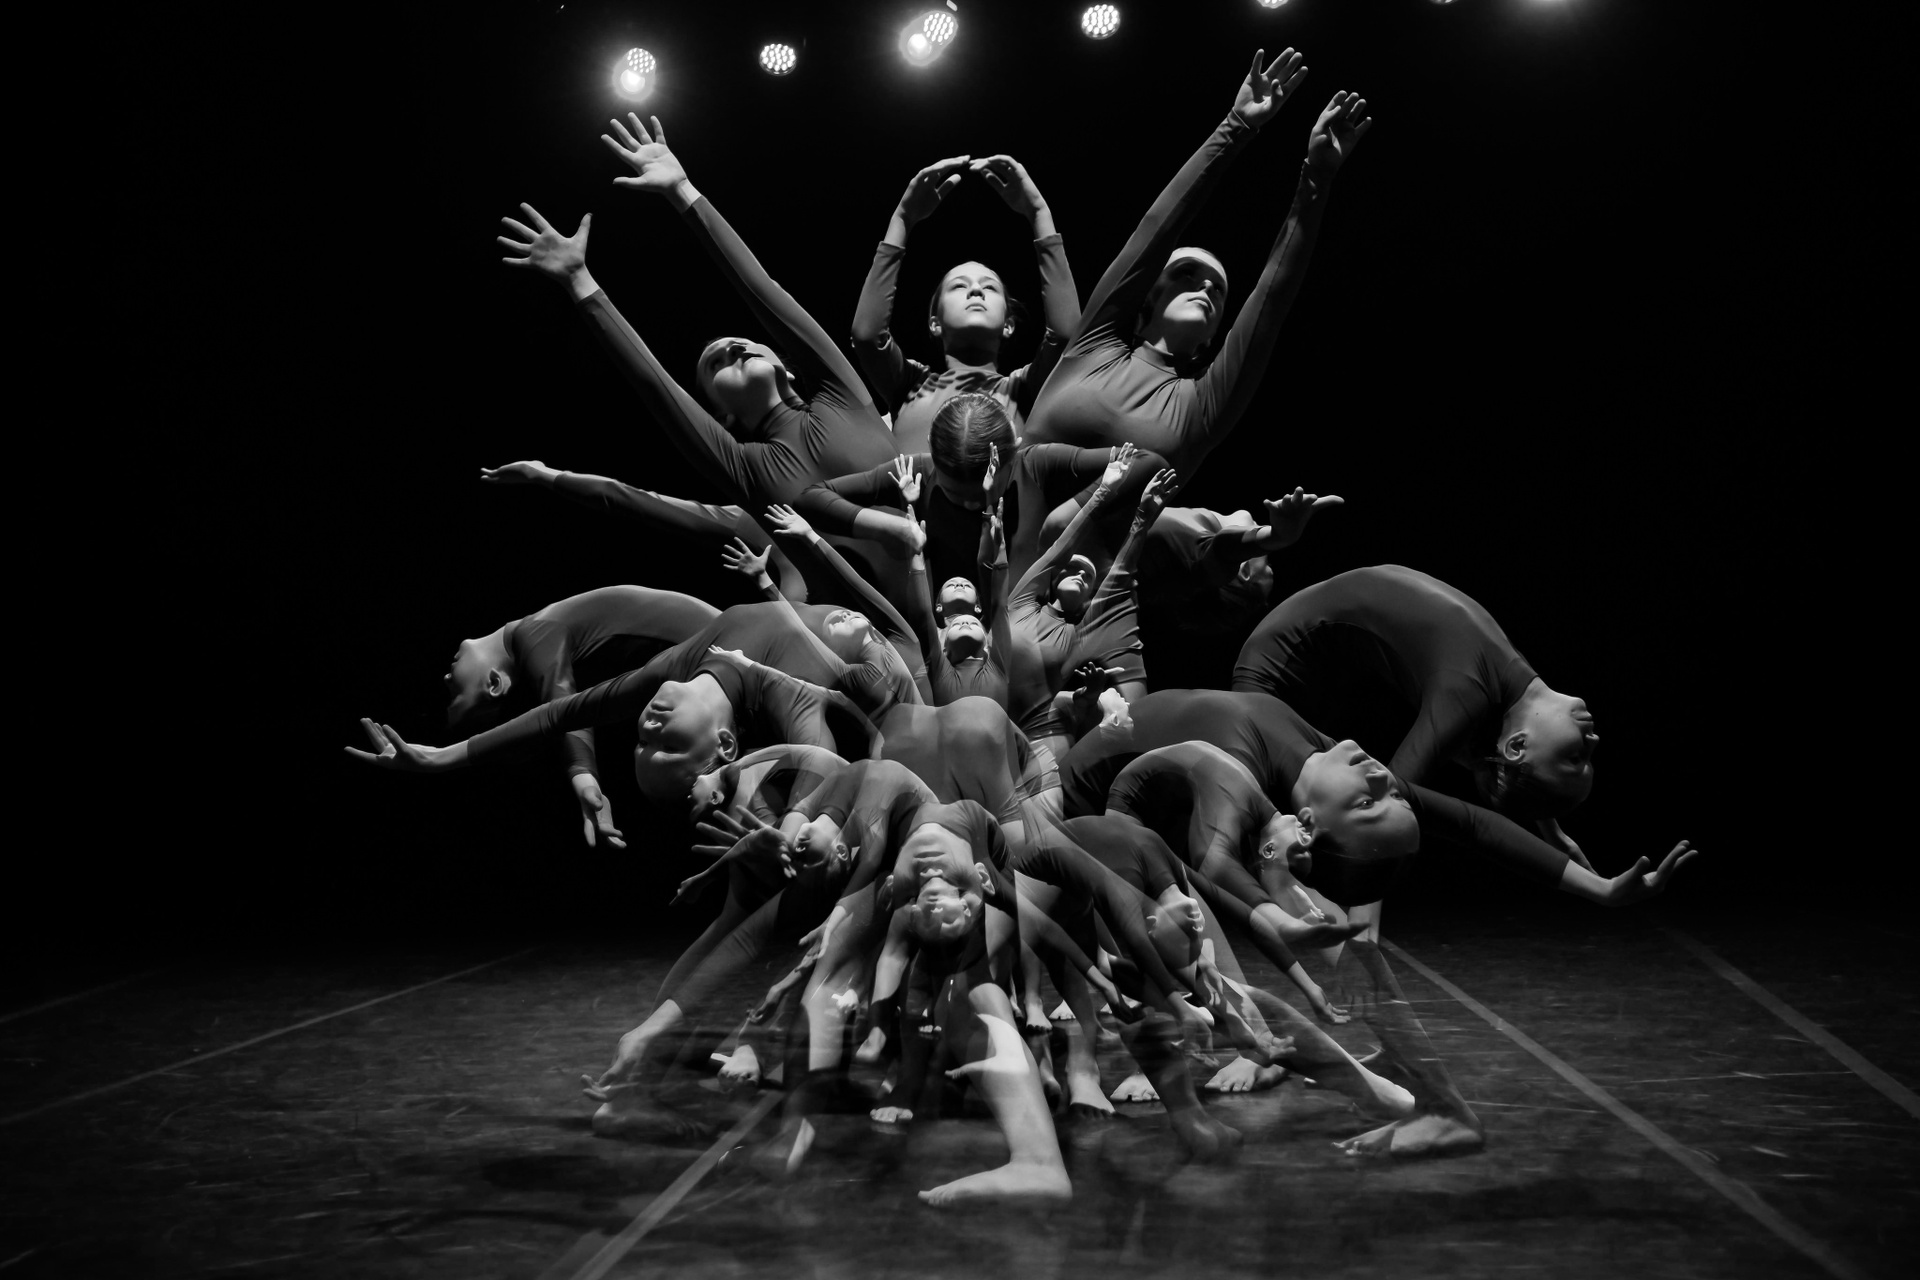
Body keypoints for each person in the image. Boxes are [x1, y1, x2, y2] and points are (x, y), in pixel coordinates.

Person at [1060, 689, 1696, 1156]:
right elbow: (1471, 822)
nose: (1385, 777)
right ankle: (1389, 1088)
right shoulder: (1316, 771)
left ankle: (1433, 1103)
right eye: (1384, 795)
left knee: (1311, 943)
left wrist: (1306, 933)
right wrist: (1597, 887)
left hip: (1142, 811)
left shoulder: (1282, 781)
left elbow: (1226, 865)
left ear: (1309, 826)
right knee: (1210, 967)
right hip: (1090, 806)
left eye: (1374, 799)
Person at [497, 114, 902, 598]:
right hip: (873, 639)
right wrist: (578, 281)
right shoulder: (745, 470)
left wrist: (683, 191)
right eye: (714, 363)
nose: (732, 347)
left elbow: (763, 291)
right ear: (721, 413)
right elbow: (655, 386)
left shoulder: (844, 396)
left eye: (744, 343)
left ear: (786, 365)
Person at [1022, 50, 1371, 484]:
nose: (1205, 288)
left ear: (1213, 336)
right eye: (1186, 274)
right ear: (1148, 295)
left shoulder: (1202, 406)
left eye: (1218, 290)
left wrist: (1316, 178)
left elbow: (1272, 296)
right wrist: (1236, 126)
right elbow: (1156, 230)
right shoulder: (1092, 346)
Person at [1232, 565, 1600, 856]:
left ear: (1516, 745)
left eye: (1576, 756)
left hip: (1280, 680)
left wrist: (1369, 905)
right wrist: (1553, 832)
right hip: (1280, 662)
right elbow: (1521, 765)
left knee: (1277, 824)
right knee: (1275, 818)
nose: (1594, 740)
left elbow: (1392, 793)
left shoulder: (1470, 694)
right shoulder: (1510, 691)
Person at [346, 601, 870, 801]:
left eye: (638, 742)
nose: (646, 731)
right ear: (726, 743)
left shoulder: (667, 671)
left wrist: (443, 757)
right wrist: (799, 822)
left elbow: (559, 712)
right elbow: (819, 760)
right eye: (664, 748)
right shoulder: (784, 691)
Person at [437, 585, 719, 846]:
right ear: (494, 683)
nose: (446, 677)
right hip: (715, 646)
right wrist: (584, 777)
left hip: (715, 643)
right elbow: (565, 706)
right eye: (454, 692)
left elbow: (565, 706)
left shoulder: (537, 631)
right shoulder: (535, 633)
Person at [851, 155, 1080, 454]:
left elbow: (1066, 335)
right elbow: (867, 336)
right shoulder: (909, 386)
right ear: (935, 322)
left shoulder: (1024, 391)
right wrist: (902, 220)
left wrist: (1039, 213)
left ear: (1009, 325)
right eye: (959, 286)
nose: (975, 290)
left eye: (990, 287)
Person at [1005, 450, 1174, 758]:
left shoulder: (1080, 635)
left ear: (1088, 600)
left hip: (1026, 738)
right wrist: (1104, 491)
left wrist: (1143, 517)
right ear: (1053, 579)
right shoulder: (1021, 602)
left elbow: (1121, 574)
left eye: (1089, 576)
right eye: (1072, 568)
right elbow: (1061, 546)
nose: (1081, 574)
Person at [477, 459, 811, 603]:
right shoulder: (753, 521)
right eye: (716, 364)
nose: (735, 351)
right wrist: (542, 474)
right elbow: (631, 499)